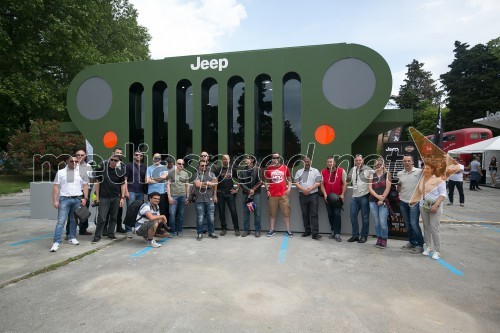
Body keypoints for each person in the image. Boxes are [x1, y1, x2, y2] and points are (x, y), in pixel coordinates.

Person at [50, 155, 89, 252]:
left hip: (77, 199)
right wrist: (55, 200)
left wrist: (85, 197)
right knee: (61, 221)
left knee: (73, 220)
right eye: (72, 161)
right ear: (67, 161)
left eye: (76, 161)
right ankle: (56, 242)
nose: (75, 163)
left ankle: (72, 237)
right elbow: (56, 187)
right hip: (64, 199)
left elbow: (85, 185)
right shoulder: (61, 172)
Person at [91, 153, 126, 243]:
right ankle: (97, 235)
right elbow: (97, 182)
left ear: (119, 162)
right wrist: (97, 197)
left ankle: (111, 233)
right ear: (109, 159)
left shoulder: (120, 171)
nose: (113, 162)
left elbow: (122, 185)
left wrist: (122, 198)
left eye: (116, 160)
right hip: (104, 197)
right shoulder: (103, 168)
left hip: (116, 197)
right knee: (102, 217)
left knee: (114, 217)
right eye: (112, 160)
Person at [397, 154, 425, 254]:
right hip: (403, 202)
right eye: (405, 161)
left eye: (409, 161)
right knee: (408, 225)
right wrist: (399, 190)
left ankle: (420, 245)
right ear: (402, 162)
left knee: (414, 224)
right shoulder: (400, 173)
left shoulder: (419, 172)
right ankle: (412, 242)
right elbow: (399, 185)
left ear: (413, 162)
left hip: (414, 202)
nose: (407, 162)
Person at [419, 164, 447, 260]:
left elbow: (443, 194)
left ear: (432, 169)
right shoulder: (422, 178)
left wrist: (436, 205)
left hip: (435, 206)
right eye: (423, 168)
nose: (425, 170)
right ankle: (428, 247)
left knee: (434, 227)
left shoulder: (439, 179)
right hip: (423, 205)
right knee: (426, 226)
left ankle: (437, 251)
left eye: (427, 168)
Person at [264, 152, 293, 237]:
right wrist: (267, 190)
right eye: (274, 158)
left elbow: (289, 178)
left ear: (279, 158)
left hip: (283, 194)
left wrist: (289, 188)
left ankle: (288, 230)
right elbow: (266, 180)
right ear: (271, 159)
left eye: (277, 158)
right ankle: (272, 229)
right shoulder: (268, 168)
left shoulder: (284, 167)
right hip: (272, 194)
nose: (276, 159)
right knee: (272, 213)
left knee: (286, 212)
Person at [294, 157, 322, 240]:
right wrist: (303, 190)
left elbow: (318, 183)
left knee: (314, 214)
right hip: (303, 195)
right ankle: (307, 231)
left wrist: (309, 190)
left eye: (308, 161)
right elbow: (296, 183)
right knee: (305, 214)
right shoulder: (299, 172)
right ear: (303, 162)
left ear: (310, 162)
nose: (307, 163)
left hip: (313, 195)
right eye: (305, 161)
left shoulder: (315, 171)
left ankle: (315, 233)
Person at [320, 156, 347, 242]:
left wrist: (342, 194)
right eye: (328, 162)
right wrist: (324, 194)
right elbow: (321, 184)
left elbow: (345, 183)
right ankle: (333, 231)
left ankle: (337, 233)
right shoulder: (323, 172)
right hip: (328, 198)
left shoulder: (341, 171)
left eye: (331, 162)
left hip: (337, 197)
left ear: (334, 163)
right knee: (330, 215)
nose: (329, 163)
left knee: (337, 215)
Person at [347, 154, 372, 243]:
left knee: (365, 218)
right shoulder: (352, 169)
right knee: (353, 216)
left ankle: (364, 236)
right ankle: (355, 236)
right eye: (356, 160)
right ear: (354, 161)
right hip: (354, 197)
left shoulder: (369, 169)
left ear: (363, 161)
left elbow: (377, 177)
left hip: (365, 196)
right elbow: (348, 179)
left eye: (359, 160)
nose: (358, 162)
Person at [368, 157, 391, 249]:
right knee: (376, 222)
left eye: (380, 164)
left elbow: (388, 188)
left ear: (383, 165)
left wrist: (382, 199)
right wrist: (378, 198)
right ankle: (379, 238)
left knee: (382, 221)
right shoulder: (371, 174)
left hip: (384, 201)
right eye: (376, 164)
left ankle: (384, 239)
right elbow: (369, 188)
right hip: (373, 201)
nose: (378, 165)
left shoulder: (387, 174)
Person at [215, 154, 240, 236]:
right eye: (223, 159)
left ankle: (236, 229)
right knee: (221, 212)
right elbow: (215, 182)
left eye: (226, 159)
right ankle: (223, 228)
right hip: (220, 193)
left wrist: (237, 189)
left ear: (229, 160)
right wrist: (214, 194)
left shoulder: (233, 169)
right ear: (222, 160)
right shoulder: (218, 170)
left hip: (230, 194)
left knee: (234, 212)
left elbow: (240, 179)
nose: (225, 160)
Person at [124, 150, 147, 238]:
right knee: (130, 210)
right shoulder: (128, 166)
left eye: (140, 155)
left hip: (140, 191)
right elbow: (125, 179)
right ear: (133, 156)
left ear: (142, 157)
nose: (138, 156)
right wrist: (126, 191)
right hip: (131, 191)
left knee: (139, 210)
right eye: (136, 155)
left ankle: (137, 228)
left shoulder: (144, 167)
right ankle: (128, 230)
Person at [238, 155, 262, 237]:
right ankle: (246, 230)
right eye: (244, 158)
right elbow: (240, 183)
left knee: (257, 213)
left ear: (252, 159)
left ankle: (257, 230)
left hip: (256, 194)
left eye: (247, 158)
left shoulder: (257, 169)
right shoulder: (242, 171)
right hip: (246, 194)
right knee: (246, 213)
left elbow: (260, 181)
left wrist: (253, 190)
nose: (245, 160)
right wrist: (249, 190)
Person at [194, 160, 218, 241]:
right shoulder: (196, 174)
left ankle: (211, 233)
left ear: (207, 166)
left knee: (211, 218)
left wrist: (214, 195)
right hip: (199, 200)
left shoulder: (212, 174)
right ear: (199, 166)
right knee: (200, 218)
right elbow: (197, 185)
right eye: (202, 165)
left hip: (210, 199)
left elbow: (215, 184)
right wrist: (209, 183)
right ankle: (200, 233)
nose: (203, 167)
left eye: (205, 165)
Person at [166, 159, 190, 236]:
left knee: (181, 214)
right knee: (172, 214)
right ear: (176, 164)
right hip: (173, 196)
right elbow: (168, 185)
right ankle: (172, 231)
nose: (181, 165)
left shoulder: (185, 174)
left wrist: (187, 197)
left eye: (182, 164)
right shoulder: (171, 173)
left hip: (182, 196)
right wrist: (169, 196)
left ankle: (179, 230)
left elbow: (187, 185)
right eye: (179, 164)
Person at [146, 153, 169, 217]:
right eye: (156, 158)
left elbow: (164, 177)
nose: (157, 159)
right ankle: (153, 226)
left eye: (159, 158)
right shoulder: (149, 168)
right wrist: (160, 178)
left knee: (162, 211)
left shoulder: (164, 167)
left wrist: (152, 178)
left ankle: (162, 226)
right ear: (153, 158)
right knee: (151, 211)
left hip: (161, 192)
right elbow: (147, 181)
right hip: (151, 192)